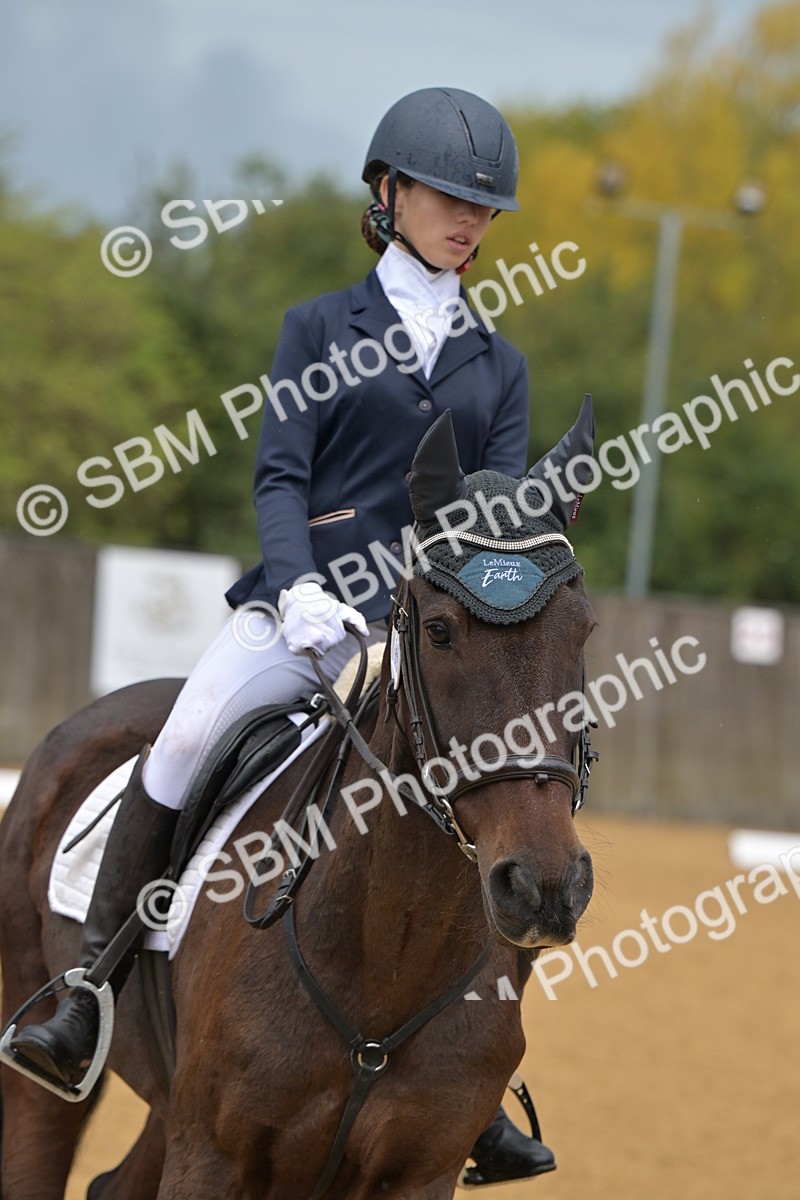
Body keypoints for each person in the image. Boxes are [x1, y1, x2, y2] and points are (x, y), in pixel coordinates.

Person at [11, 87, 555, 1185]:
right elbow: (281, 475)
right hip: (306, 612)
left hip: (427, 630)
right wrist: (298, 588)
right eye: (450, 197)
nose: (467, 220)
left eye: (483, 207)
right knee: (181, 739)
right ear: (388, 193)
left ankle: (472, 1084)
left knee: (503, 795)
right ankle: (85, 992)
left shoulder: (500, 366)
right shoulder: (320, 326)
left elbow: (493, 519)